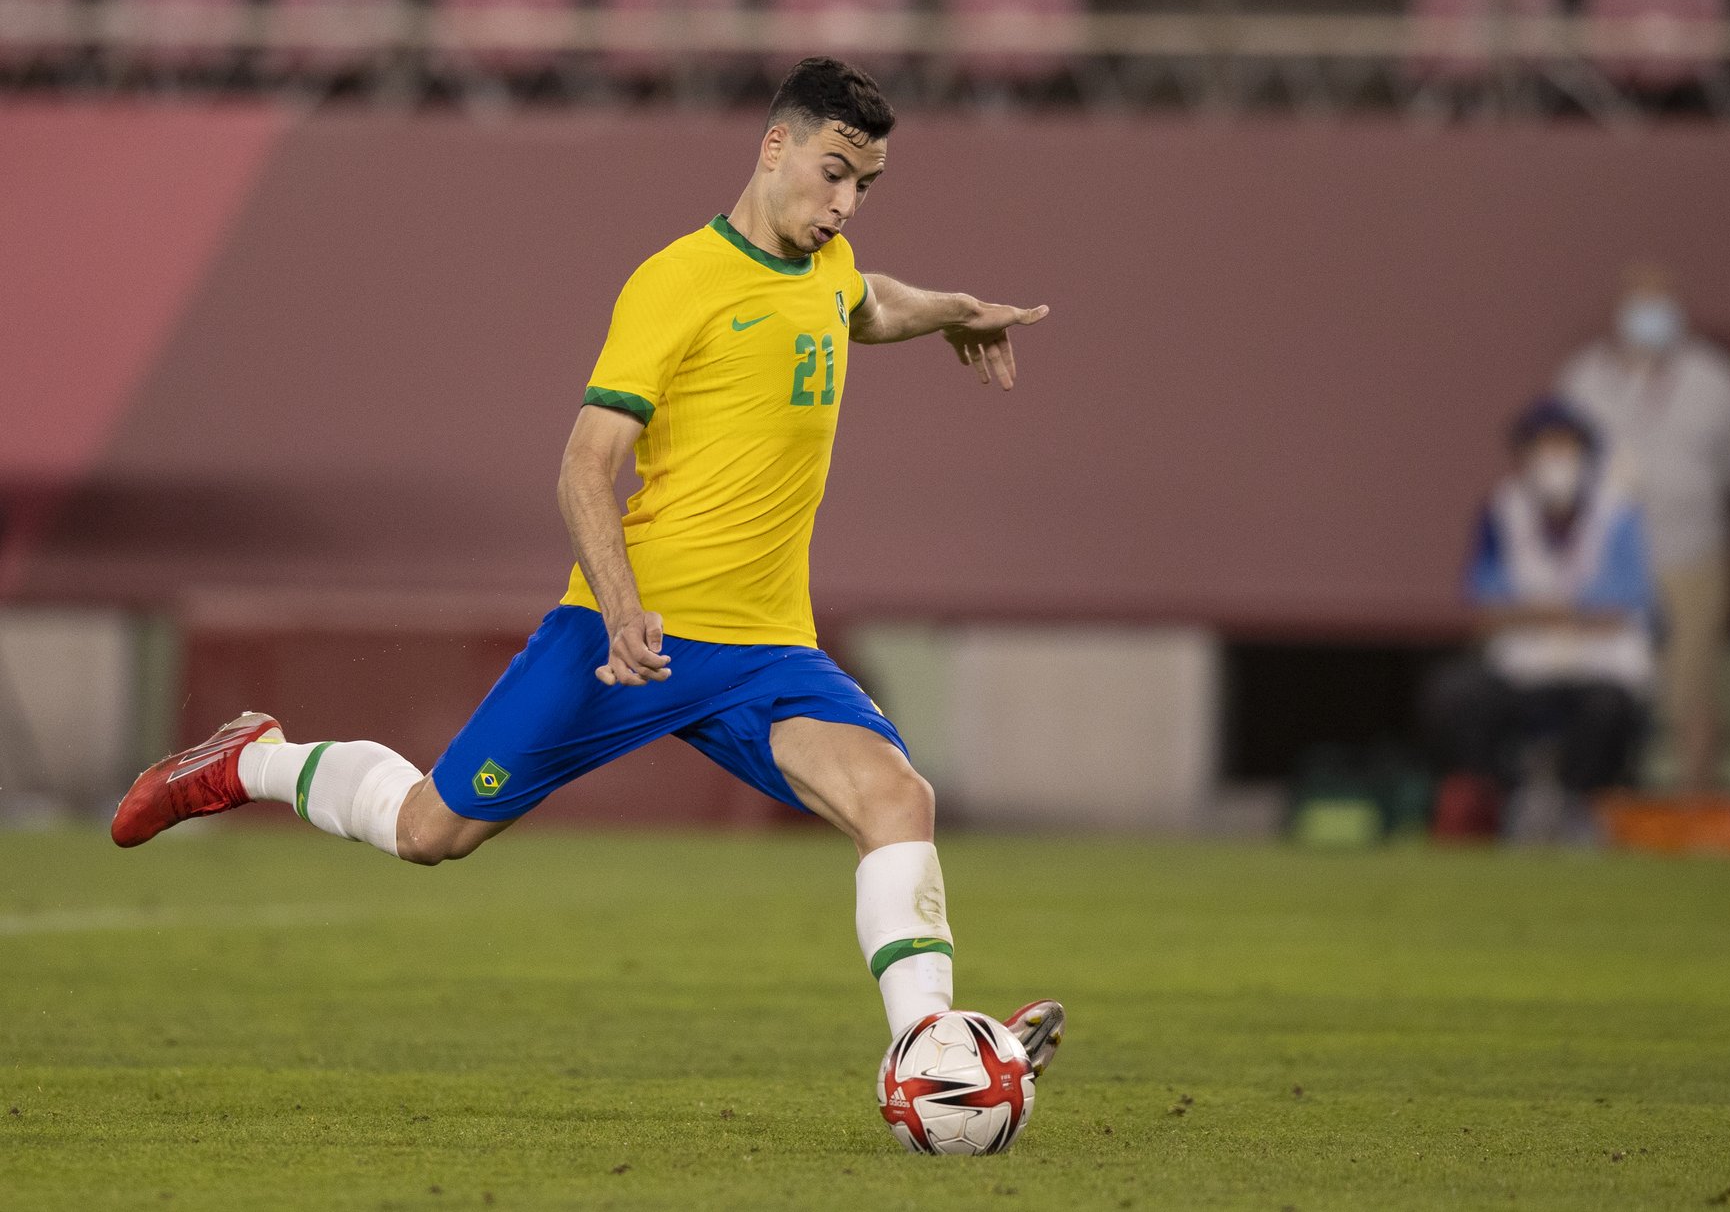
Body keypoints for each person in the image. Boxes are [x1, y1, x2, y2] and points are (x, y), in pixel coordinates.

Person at [108, 58, 1065, 1072]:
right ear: (773, 145)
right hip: (623, 639)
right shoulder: (676, 281)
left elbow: (866, 305)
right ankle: (249, 755)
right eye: (831, 172)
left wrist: (956, 307)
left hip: (767, 653)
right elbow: (583, 465)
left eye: (862, 185)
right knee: (430, 828)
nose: (841, 203)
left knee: (894, 797)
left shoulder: (826, 268)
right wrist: (619, 608)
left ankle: (930, 1050)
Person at [1557, 267, 1730, 794]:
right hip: (1605, 559)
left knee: (1690, 684)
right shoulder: (1584, 378)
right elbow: (1560, 467)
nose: (1649, 317)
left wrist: (1679, 487)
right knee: (1602, 684)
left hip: (1693, 553)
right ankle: (1598, 800)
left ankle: (1696, 805)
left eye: (1660, 302)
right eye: (1639, 303)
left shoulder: (1717, 378)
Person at [1426, 399, 1658, 838]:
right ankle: (1497, 798)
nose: (1555, 462)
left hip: (1599, 666)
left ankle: (1580, 807)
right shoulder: (1502, 512)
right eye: (1543, 448)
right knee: (1457, 694)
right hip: (1525, 667)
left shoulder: (1618, 515)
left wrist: (1537, 612)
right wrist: (1567, 612)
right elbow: (1487, 605)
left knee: (1610, 711)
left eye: (1565, 448)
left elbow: (1624, 605)